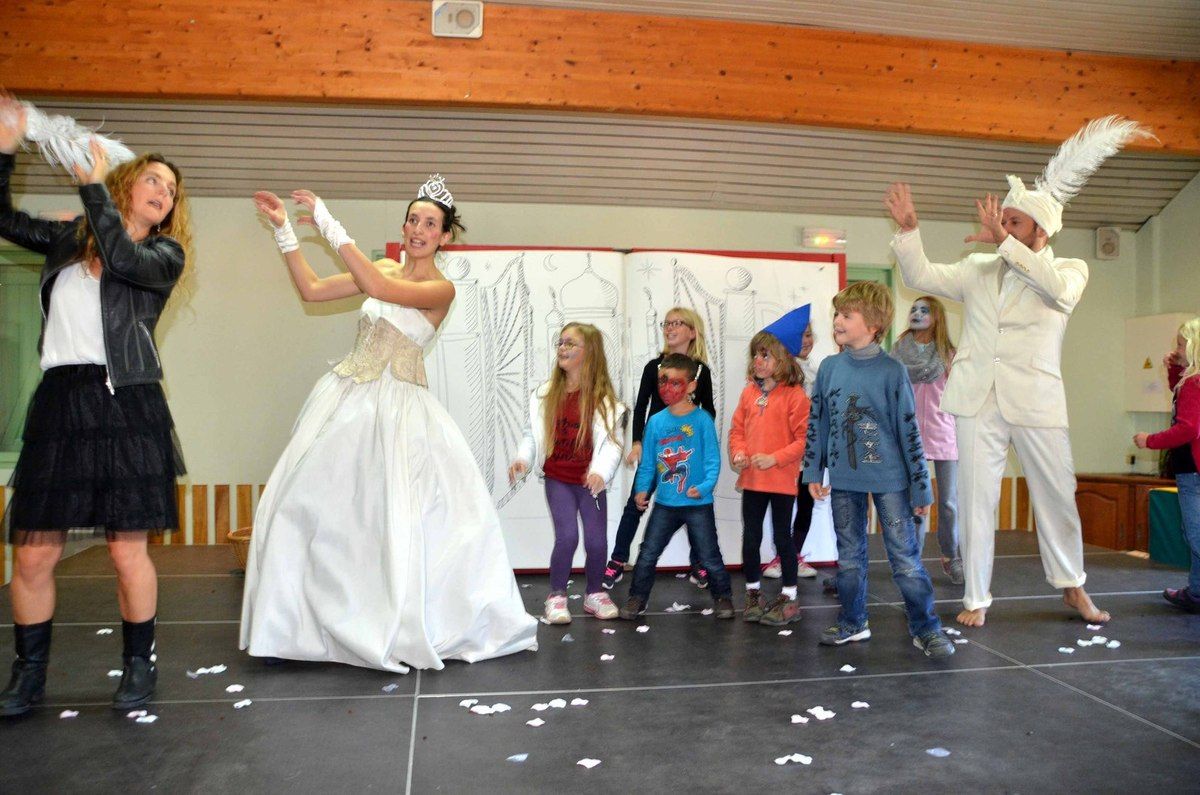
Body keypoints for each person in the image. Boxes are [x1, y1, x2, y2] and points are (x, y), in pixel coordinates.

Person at [240, 176, 538, 672]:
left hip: (399, 409)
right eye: (413, 220)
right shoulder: (380, 266)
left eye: (430, 224)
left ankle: (391, 619)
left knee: (394, 517)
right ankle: (303, 624)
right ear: (404, 226)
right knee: (306, 503)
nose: (419, 229)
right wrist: (284, 232)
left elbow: (381, 291)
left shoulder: (440, 289)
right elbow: (312, 289)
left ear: (445, 236)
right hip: (347, 398)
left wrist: (328, 222)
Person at [884, 116, 1150, 627]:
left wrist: (1002, 244)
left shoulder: (1069, 269)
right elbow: (920, 275)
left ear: (1041, 232)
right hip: (976, 398)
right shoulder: (977, 269)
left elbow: (1057, 291)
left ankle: (1073, 586)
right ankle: (976, 597)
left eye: (1013, 224)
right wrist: (910, 229)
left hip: (1036, 400)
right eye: (1001, 222)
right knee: (976, 501)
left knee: (1056, 496)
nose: (1001, 230)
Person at [0, 97, 193, 714]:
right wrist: (5, 148)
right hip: (62, 402)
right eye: (154, 180)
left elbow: (121, 258)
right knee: (34, 552)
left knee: (125, 549)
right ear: (126, 184)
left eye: (171, 190)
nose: (163, 192)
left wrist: (92, 193)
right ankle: (28, 675)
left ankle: (139, 665)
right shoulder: (68, 239)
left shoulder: (162, 257)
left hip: (127, 403)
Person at [803, 282, 954, 659]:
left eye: (846, 315)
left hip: (891, 482)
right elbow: (818, 421)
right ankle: (853, 621)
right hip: (844, 481)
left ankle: (926, 627)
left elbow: (908, 430)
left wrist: (921, 488)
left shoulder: (892, 371)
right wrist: (813, 471)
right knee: (849, 558)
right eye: (836, 314)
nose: (837, 321)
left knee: (905, 560)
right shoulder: (829, 368)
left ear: (872, 325)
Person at [509, 323, 625, 624]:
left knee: (597, 542)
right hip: (558, 479)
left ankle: (595, 593)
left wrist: (600, 473)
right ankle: (557, 595)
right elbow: (532, 435)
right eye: (560, 342)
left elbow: (613, 444)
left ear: (590, 353)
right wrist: (523, 459)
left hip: (590, 483)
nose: (562, 348)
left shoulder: (605, 401)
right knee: (568, 536)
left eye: (570, 343)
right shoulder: (545, 395)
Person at [603, 307, 716, 591]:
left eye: (678, 323)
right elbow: (641, 406)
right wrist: (638, 442)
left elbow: (710, 410)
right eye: (667, 323)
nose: (670, 327)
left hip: (688, 453)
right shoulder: (653, 367)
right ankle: (618, 560)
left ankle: (699, 563)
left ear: (693, 332)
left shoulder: (701, 371)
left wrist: (700, 438)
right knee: (636, 504)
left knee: (695, 507)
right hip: (657, 450)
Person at [617, 354, 734, 620]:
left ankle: (723, 597)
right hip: (665, 505)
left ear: (691, 386)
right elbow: (648, 463)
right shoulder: (656, 422)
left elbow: (713, 461)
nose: (666, 388)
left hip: (698, 504)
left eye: (674, 383)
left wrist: (704, 487)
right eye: (662, 381)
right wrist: (641, 490)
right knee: (647, 553)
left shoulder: (703, 420)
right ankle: (637, 598)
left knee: (710, 555)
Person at [730, 306, 811, 627]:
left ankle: (789, 597)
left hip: (780, 480)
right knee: (750, 537)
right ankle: (753, 593)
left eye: (765, 355)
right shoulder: (749, 394)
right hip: (752, 479)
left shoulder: (795, 397)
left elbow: (804, 440)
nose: (758, 361)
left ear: (783, 360)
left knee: (782, 538)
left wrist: (774, 458)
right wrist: (739, 453)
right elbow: (737, 431)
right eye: (756, 355)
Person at [892, 296, 962, 584]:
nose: (917, 313)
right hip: (910, 436)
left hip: (944, 433)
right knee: (915, 502)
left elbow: (960, 396)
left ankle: (951, 556)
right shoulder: (898, 351)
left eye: (924, 310)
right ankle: (913, 560)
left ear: (937, 318)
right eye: (914, 309)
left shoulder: (949, 354)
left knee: (948, 503)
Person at [1134, 317, 1200, 613]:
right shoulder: (1191, 381)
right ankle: (1196, 593)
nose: (1177, 349)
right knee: (1194, 533)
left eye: (1181, 344)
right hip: (1192, 471)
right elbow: (1181, 396)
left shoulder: (1194, 383)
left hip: (1193, 472)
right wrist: (1175, 368)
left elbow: (1187, 428)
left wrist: (1150, 440)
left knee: (1195, 534)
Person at [764, 314, 821, 580]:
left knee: (806, 503)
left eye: (808, 335)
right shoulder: (779, 376)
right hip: (786, 451)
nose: (805, 341)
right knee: (783, 506)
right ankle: (782, 556)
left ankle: (794, 555)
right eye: (799, 336)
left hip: (811, 452)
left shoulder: (818, 373)